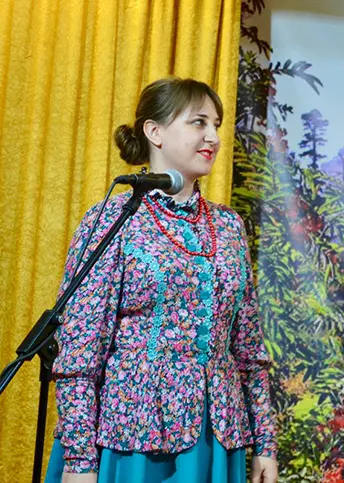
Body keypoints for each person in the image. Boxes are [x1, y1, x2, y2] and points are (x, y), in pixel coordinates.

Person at [44, 78, 278, 483]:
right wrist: (80, 460)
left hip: (216, 438)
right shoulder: (113, 219)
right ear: (154, 132)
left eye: (216, 125)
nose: (213, 137)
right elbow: (79, 353)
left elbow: (248, 349)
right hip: (133, 437)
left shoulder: (229, 226)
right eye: (198, 122)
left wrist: (265, 444)